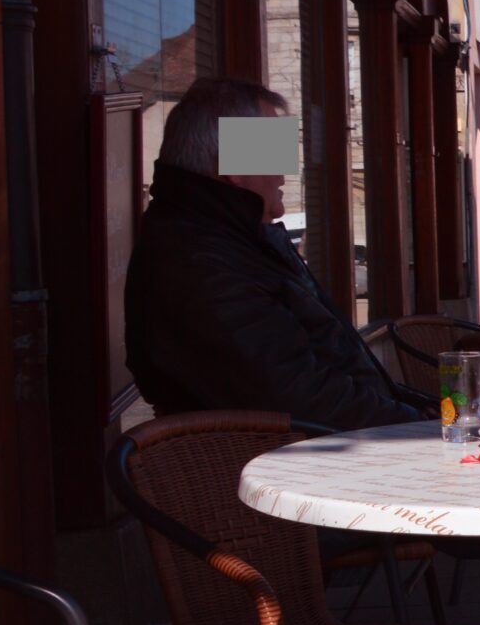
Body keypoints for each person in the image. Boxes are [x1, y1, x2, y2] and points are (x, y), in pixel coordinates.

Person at [126, 77, 421, 430]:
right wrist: (417, 428)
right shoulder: (199, 261)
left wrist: (420, 417)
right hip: (297, 466)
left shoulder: (235, 238)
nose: (283, 172)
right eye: (272, 151)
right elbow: (300, 396)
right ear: (233, 168)